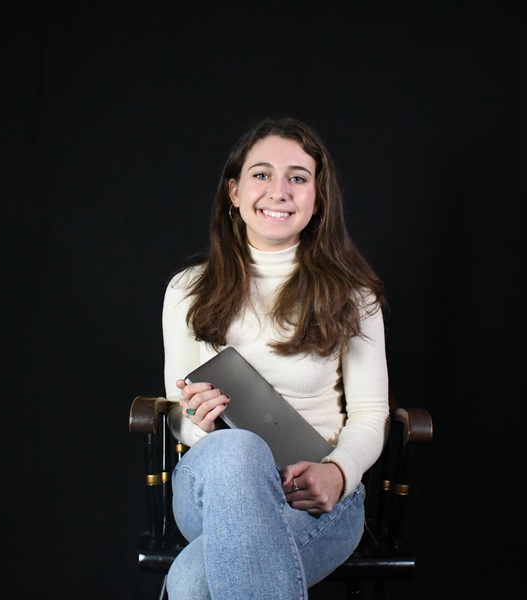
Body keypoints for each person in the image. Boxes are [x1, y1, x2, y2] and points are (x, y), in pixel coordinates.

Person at [162, 116, 389, 599]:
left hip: (317, 495)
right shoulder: (187, 289)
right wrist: (200, 423)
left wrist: (339, 471)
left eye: (298, 178)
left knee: (192, 582)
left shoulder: (354, 295)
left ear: (318, 198)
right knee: (239, 448)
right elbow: (179, 417)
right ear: (234, 191)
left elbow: (371, 413)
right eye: (262, 174)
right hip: (209, 488)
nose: (279, 191)